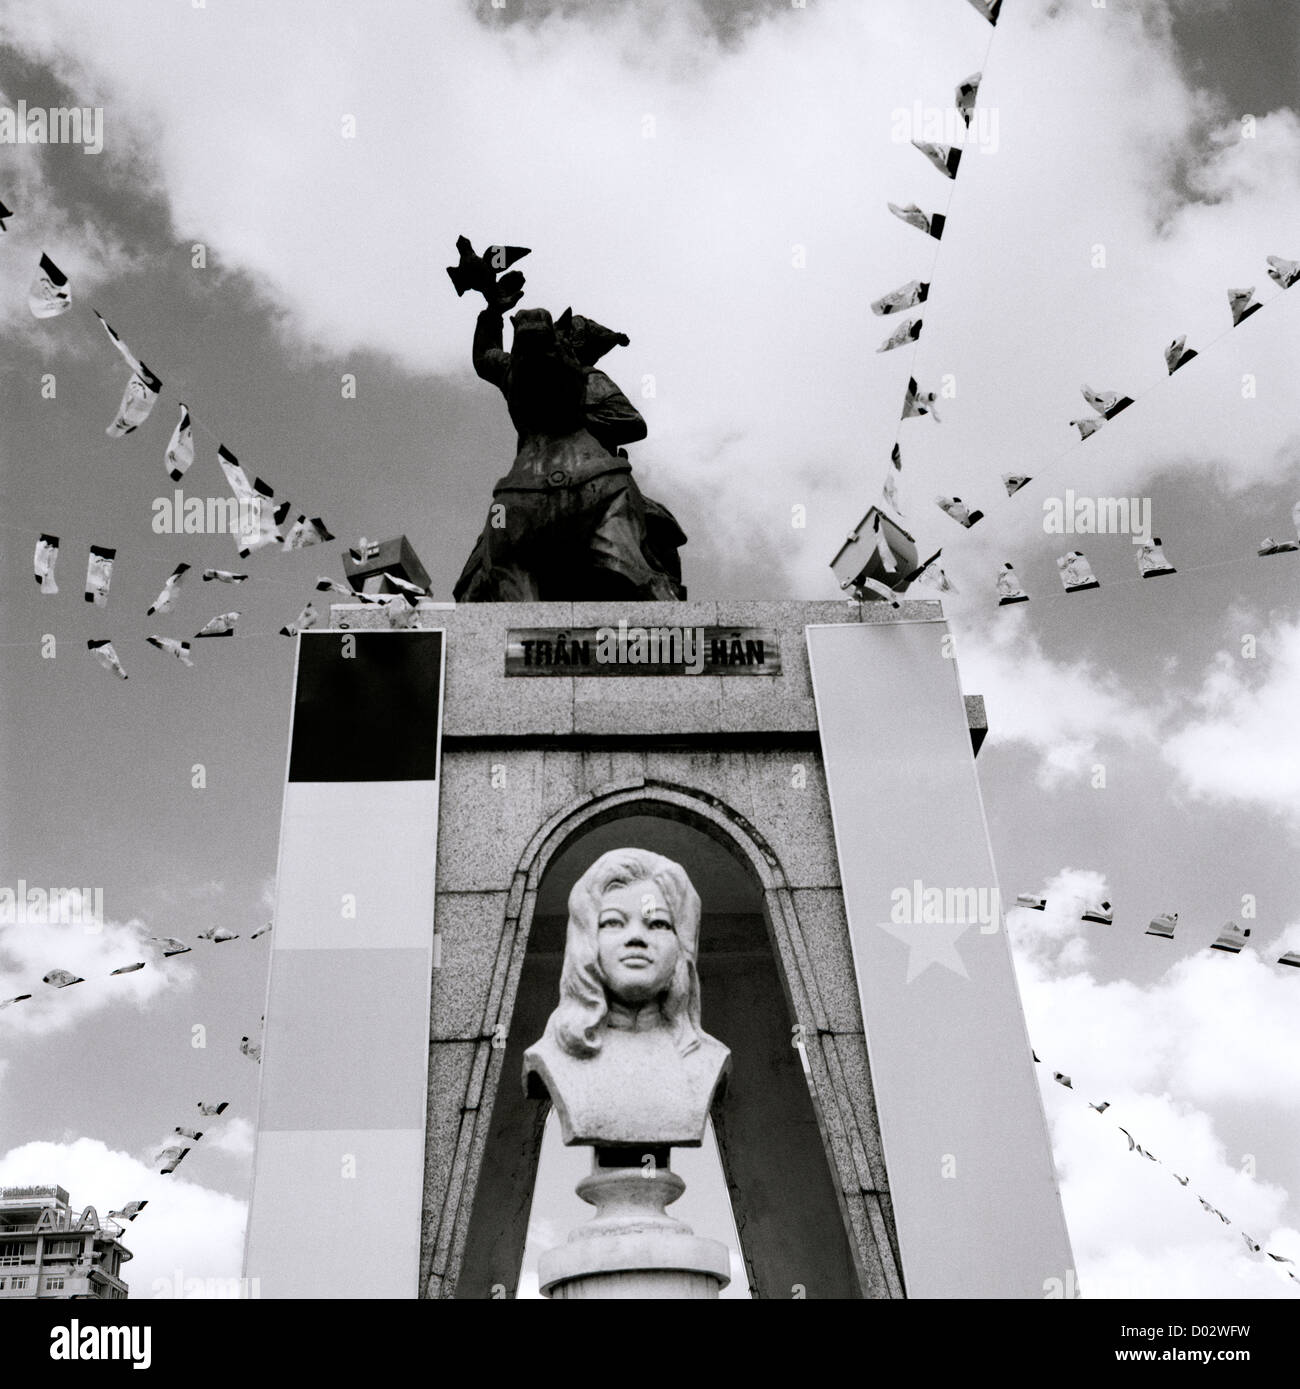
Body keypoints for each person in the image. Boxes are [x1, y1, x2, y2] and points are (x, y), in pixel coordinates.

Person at [453, 280, 687, 601]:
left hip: (586, 473)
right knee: (477, 574)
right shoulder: (520, 369)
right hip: (547, 481)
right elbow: (485, 358)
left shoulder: (586, 377)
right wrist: (492, 311)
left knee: (486, 564)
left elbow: (631, 422)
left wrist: (571, 415)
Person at [523, 848, 729, 1148]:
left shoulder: (709, 1059)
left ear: (681, 947)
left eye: (657, 923)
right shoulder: (550, 1057)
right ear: (586, 942)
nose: (636, 937)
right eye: (613, 922)